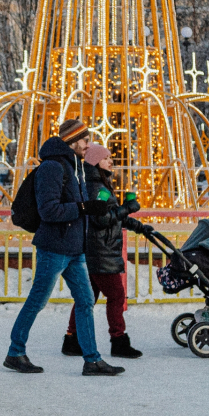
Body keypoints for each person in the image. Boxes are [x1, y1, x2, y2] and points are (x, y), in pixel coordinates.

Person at [5, 120, 124, 377]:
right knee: (38, 300)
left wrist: (95, 207)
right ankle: (15, 352)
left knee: (85, 301)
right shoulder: (52, 167)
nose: (88, 145)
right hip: (54, 247)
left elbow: (76, 206)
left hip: (74, 248)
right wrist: (84, 208)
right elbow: (49, 210)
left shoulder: (75, 166)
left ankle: (92, 359)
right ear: (72, 141)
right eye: (85, 140)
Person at [63, 144, 143, 359]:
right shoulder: (95, 187)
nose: (111, 161)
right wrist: (127, 208)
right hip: (100, 250)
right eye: (106, 158)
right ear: (94, 161)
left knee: (88, 296)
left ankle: (71, 339)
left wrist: (137, 225)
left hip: (97, 248)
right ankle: (118, 340)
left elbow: (110, 214)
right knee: (116, 295)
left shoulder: (98, 183)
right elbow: (100, 218)